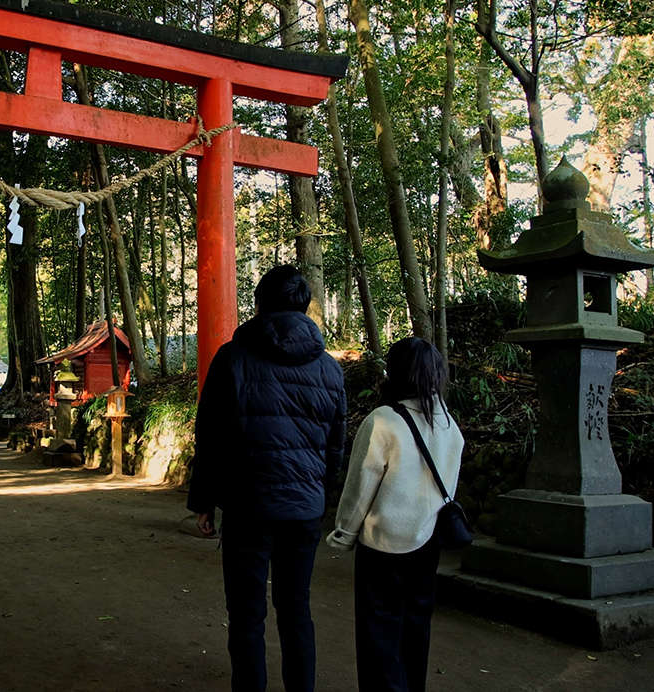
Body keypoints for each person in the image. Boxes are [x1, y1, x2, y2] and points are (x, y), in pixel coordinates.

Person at [187, 265, 347, 692]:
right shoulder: (330, 370)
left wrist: (205, 499)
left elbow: (211, 436)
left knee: (246, 614)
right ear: (303, 305)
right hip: (304, 511)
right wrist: (320, 495)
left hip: (248, 506)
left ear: (259, 304)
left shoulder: (233, 358)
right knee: (297, 610)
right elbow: (335, 446)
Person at [326, 337, 464, 692]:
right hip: (428, 538)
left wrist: (345, 533)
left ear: (396, 372)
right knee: (417, 628)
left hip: (384, 543)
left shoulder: (384, 421)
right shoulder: (449, 423)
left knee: (379, 633)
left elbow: (360, 489)